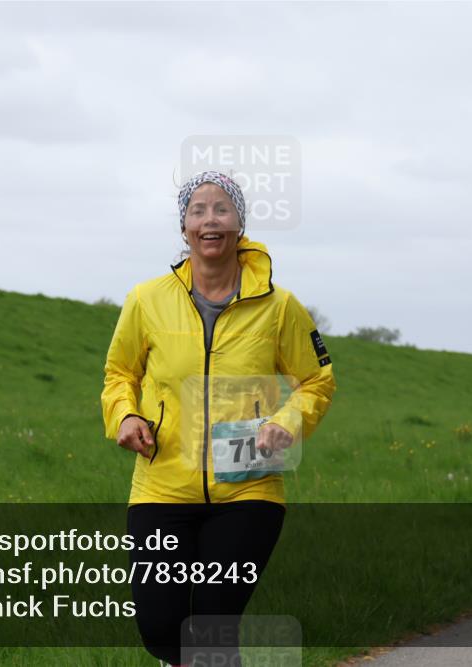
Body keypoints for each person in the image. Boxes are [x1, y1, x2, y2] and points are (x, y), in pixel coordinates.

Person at [101, 171, 336, 666]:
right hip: (161, 485)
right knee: (159, 626)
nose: (210, 219)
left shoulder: (279, 307)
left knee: (212, 618)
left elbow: (317, 380)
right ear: (184, 227)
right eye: (198, 210)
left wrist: (289, 422)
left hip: (248, 489)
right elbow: (119, 373)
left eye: (222, 209)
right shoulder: (147, 299)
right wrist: (124, 415)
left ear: (240, 224)